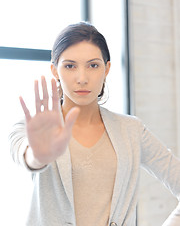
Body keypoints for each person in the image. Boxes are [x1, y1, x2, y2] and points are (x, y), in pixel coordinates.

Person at [9, 22, 180, 226]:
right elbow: (24, 154)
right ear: (55, 70)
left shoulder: (132, 130)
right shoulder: (33, 128)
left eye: (93, 65)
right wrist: (38, 157)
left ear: (106, 68)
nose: (82, 78)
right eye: (70, 66)